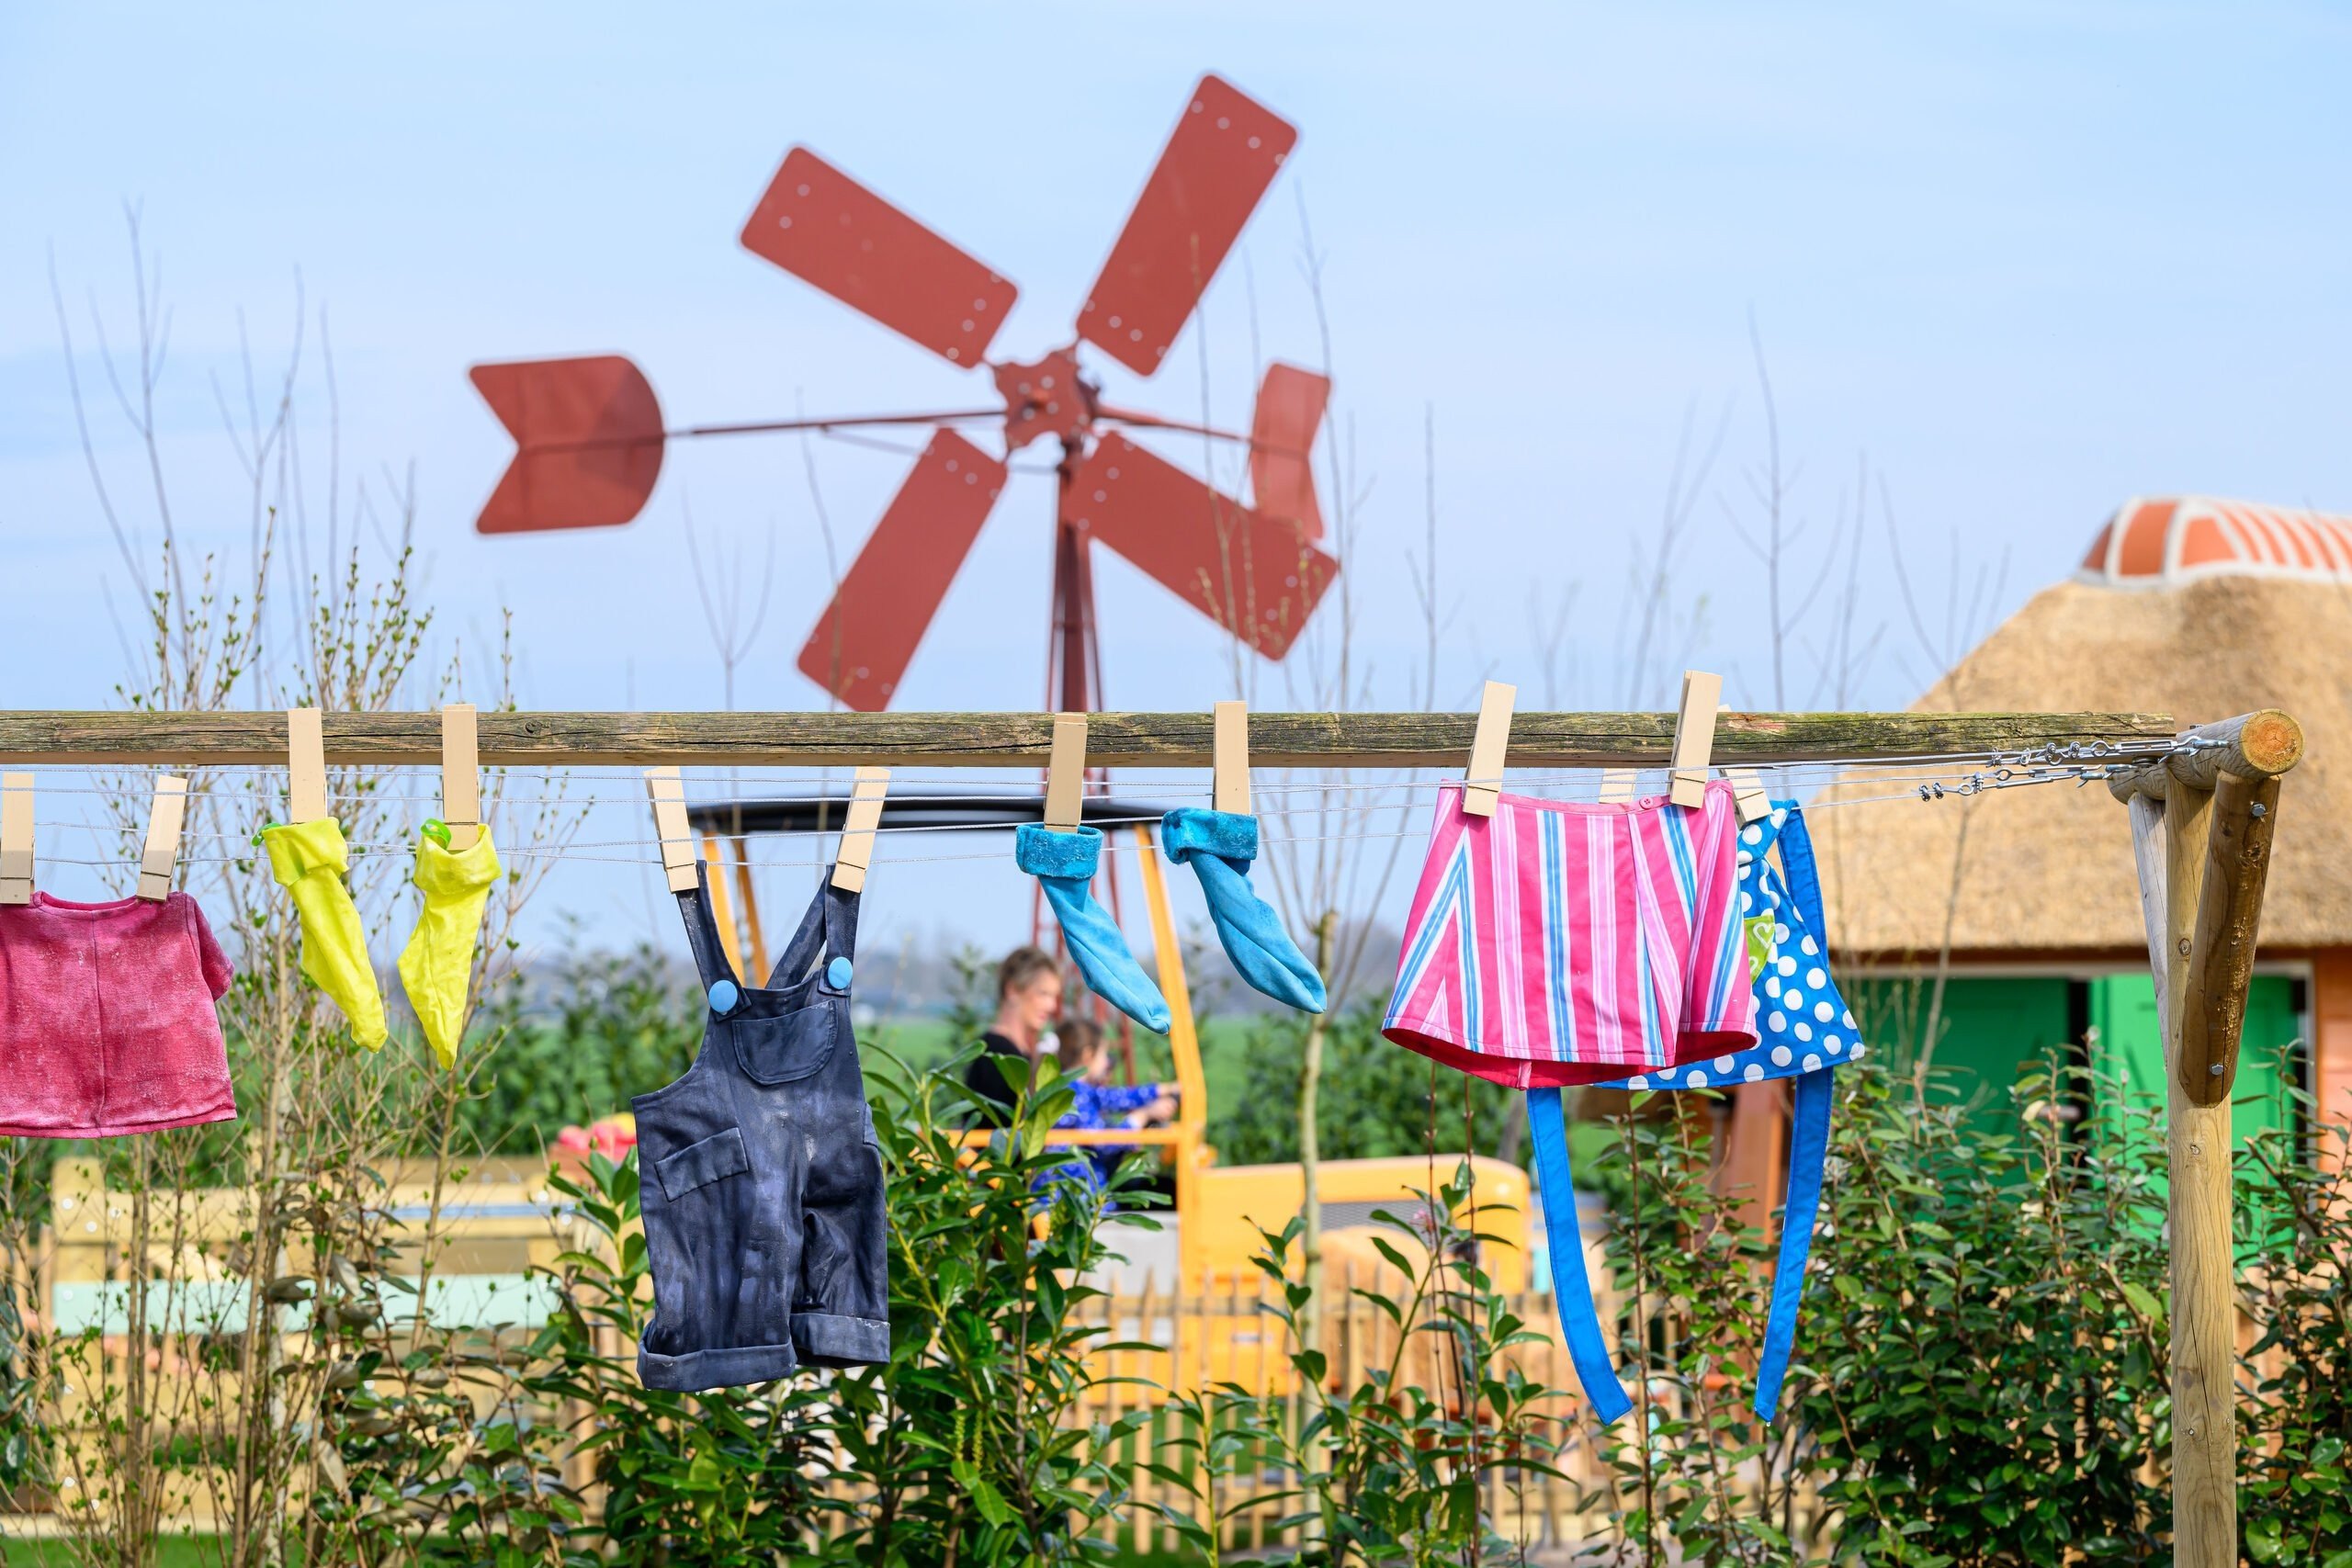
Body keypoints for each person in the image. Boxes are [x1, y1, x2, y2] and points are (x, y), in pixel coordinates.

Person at [1040, 1019, 1178, 1198]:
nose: (1107, 1062)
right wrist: (1141, 1117)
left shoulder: (1075, 1088)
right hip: (1074, 1198)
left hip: (1075, 1191)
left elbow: (1116, 1097)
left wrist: (1163, 1089)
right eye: (1104, 1054)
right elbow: (1104, 1142)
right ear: (1088, 1056)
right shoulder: (1072, 1095)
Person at [964, 945, 1062, 1124]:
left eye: (1054, 996)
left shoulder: (1017, 1051)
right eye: (1044, 994)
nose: (1052, 1006)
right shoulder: (996, 1053)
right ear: (1013, 990)